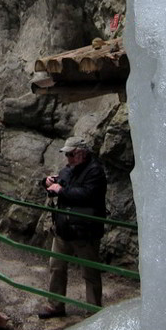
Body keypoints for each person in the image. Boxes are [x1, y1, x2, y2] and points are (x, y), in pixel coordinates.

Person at [37, 136, 108, 319]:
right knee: (56, 267)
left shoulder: (95, 172)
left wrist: (61, 190)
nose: (67, 158)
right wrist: (48, 183)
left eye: (70, 154)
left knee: (90, 273)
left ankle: (93, 312)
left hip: (85, 231)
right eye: (66, 154)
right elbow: (60, 183)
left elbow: (88, 194)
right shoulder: (69, 169)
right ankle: (55, 304)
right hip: (64, 227)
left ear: (81, 153)